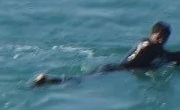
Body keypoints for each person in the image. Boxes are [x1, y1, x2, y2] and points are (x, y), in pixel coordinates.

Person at [34, 22, 176, 86]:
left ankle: (48, 81)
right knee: (80, 81)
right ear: (153, 34)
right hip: (115, 70)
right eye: (160, 36)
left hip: (112, 67)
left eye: (165, 38)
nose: (162, 40)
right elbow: (170, 57)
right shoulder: (155, 47)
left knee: (81, 79)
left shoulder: (144, 42)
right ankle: (48, 81)